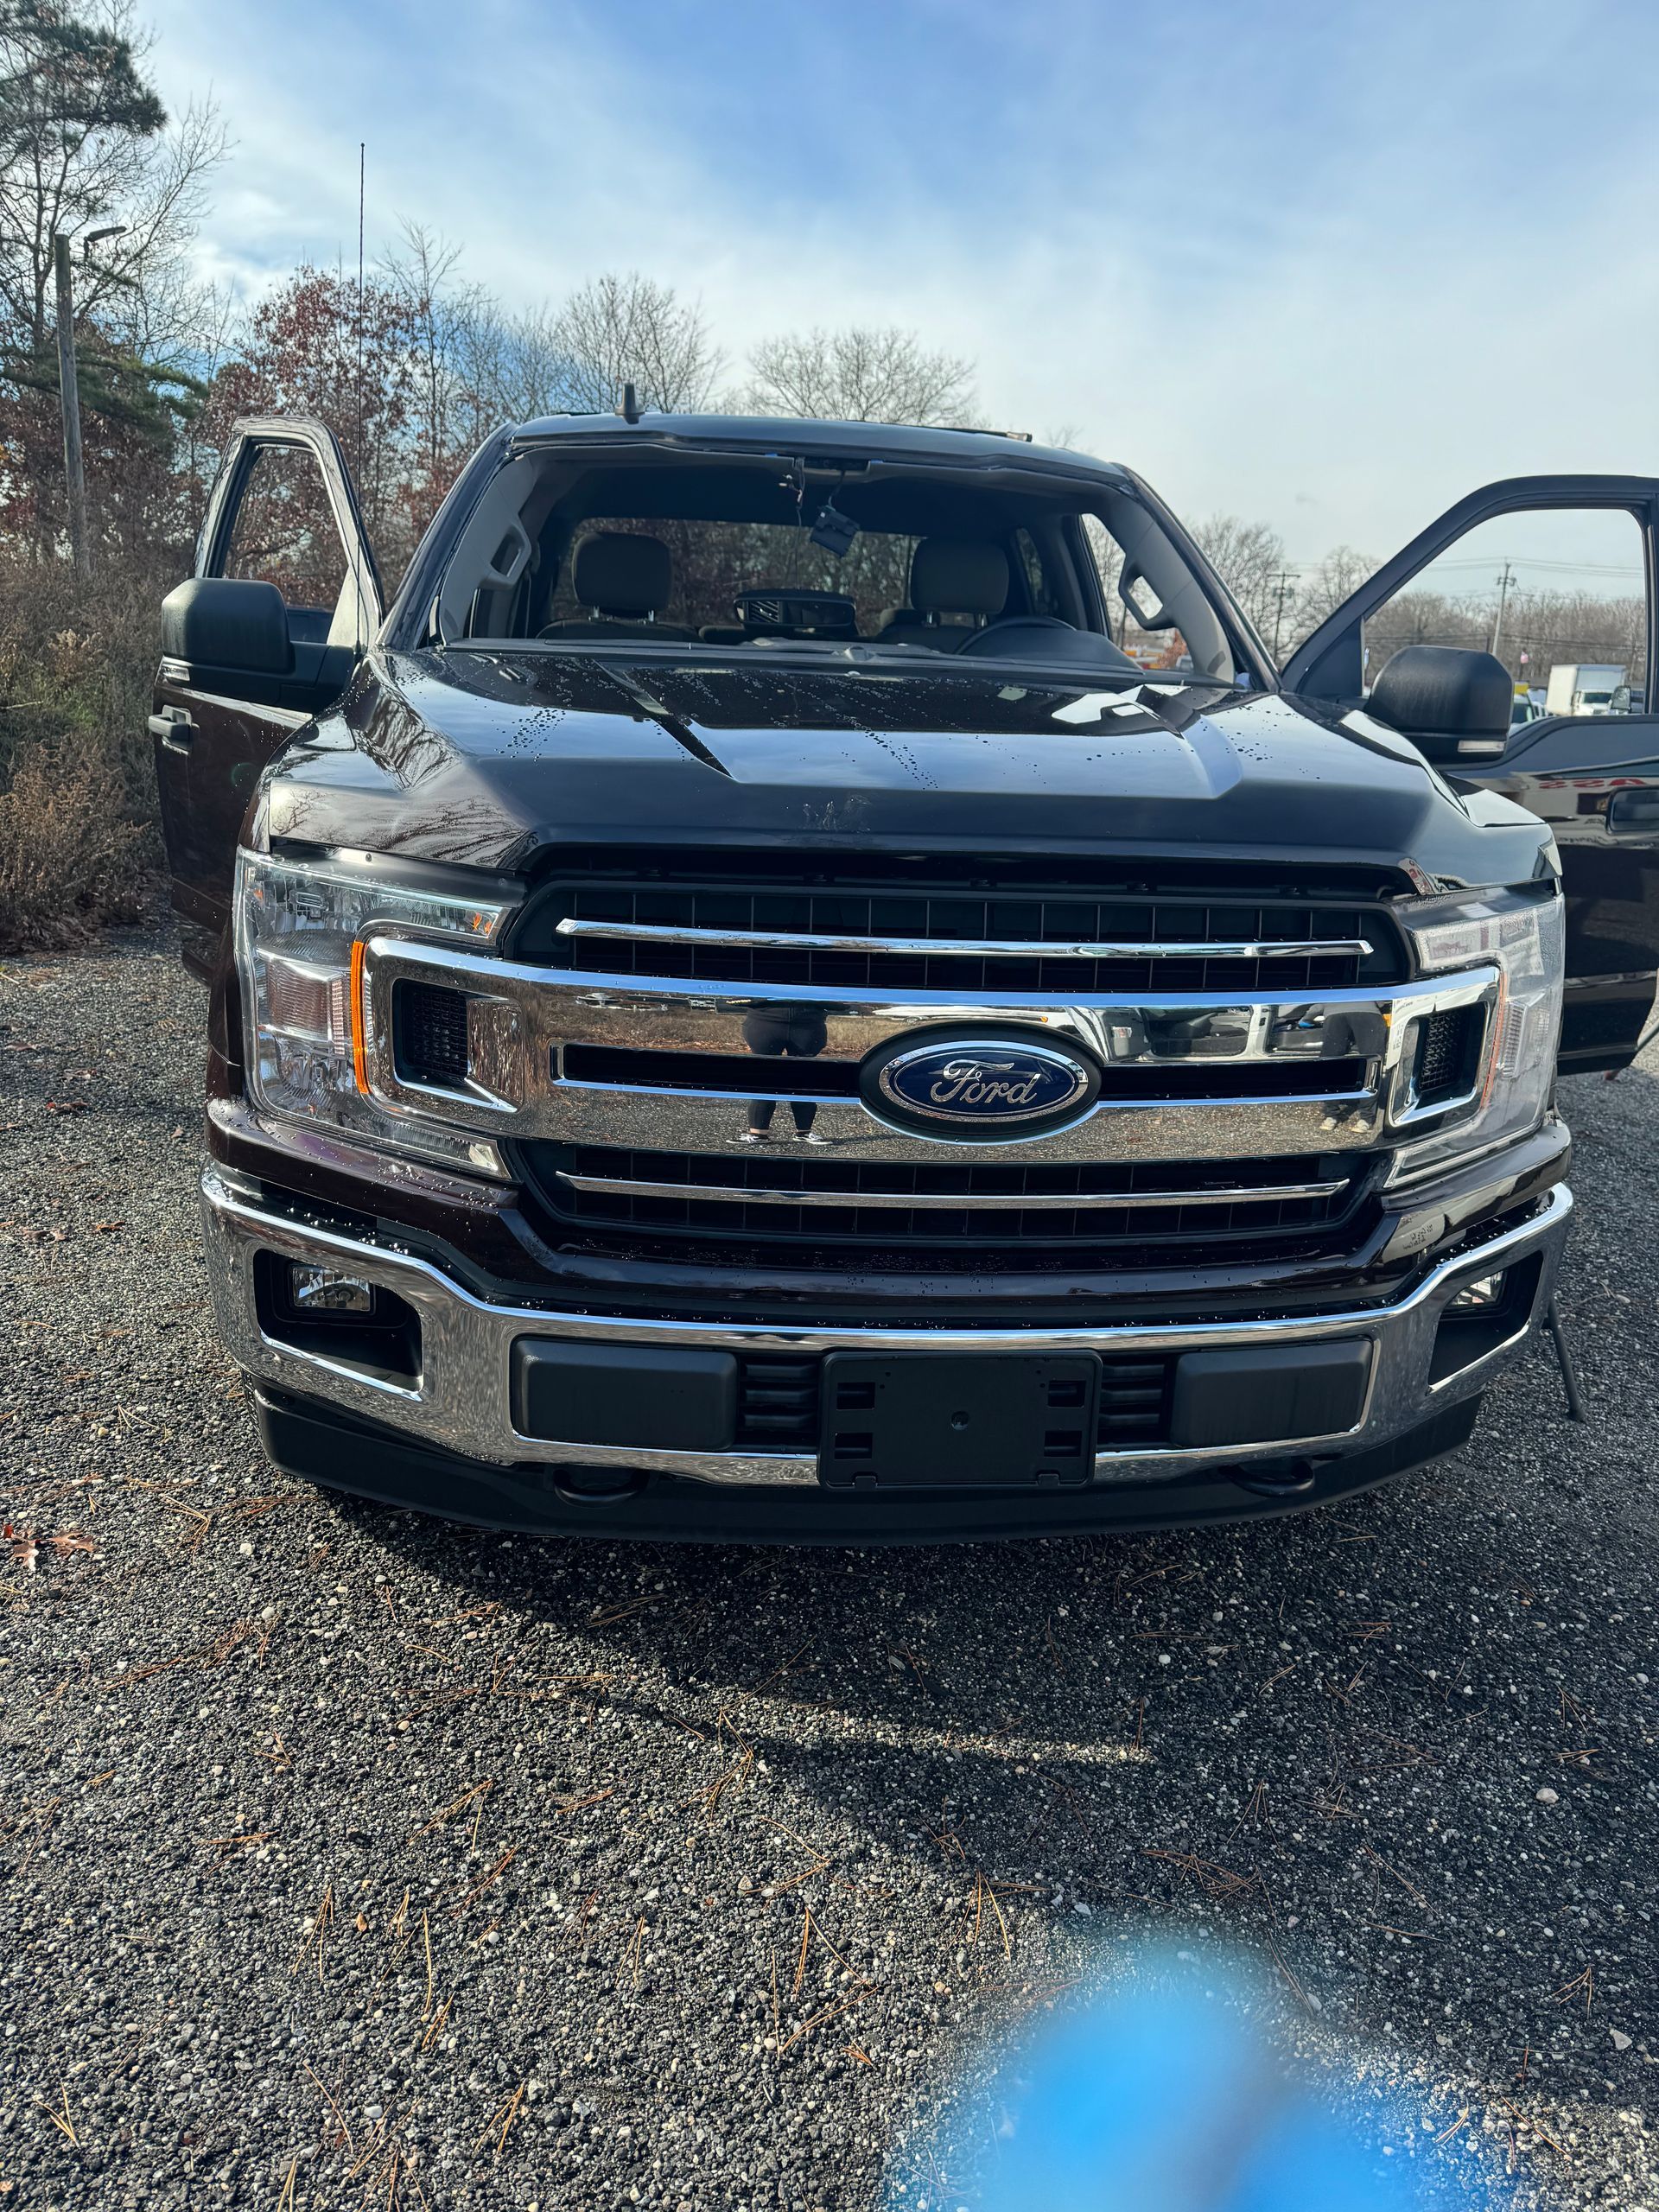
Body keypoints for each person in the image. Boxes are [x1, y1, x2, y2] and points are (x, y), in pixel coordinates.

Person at [741, 1006, 830, 1143]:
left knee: (803, 1077)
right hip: (764, 1019)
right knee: (764, 1077)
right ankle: (758, 1134)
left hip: (808, 1022)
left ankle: (804, 1132)